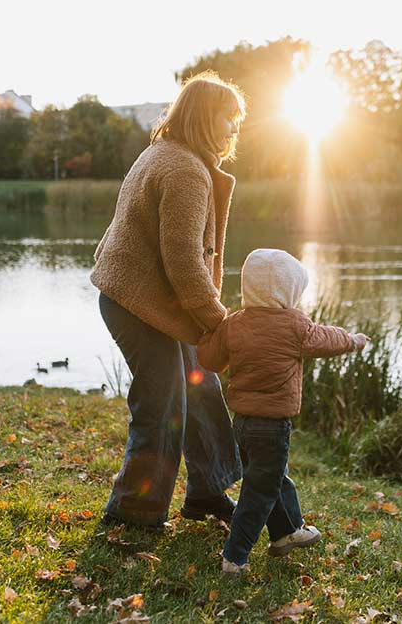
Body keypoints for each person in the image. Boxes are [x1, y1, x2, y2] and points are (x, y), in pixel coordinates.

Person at [90, 71, 245, 529]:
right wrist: (220, 322)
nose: (234, 128)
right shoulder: (183, 170)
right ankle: (132, 512)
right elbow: (184, 264)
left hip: (157, 303)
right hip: (137, 305)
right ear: (202, 118)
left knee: (201, 387)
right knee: (162, 402)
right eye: (228, 118)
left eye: (238, 119)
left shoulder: (169, 154)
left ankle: (205, 491)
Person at [197, 249, 369, 575]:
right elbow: (325, 339)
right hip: (272, 426)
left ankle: (286, 533)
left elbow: (210, 361)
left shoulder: (234, 324)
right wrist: (353, 341)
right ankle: (234, 557)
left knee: (272, 477)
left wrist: (207, 331)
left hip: (243, 426)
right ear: (285, 290)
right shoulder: (294, 324)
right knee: (259, 491)